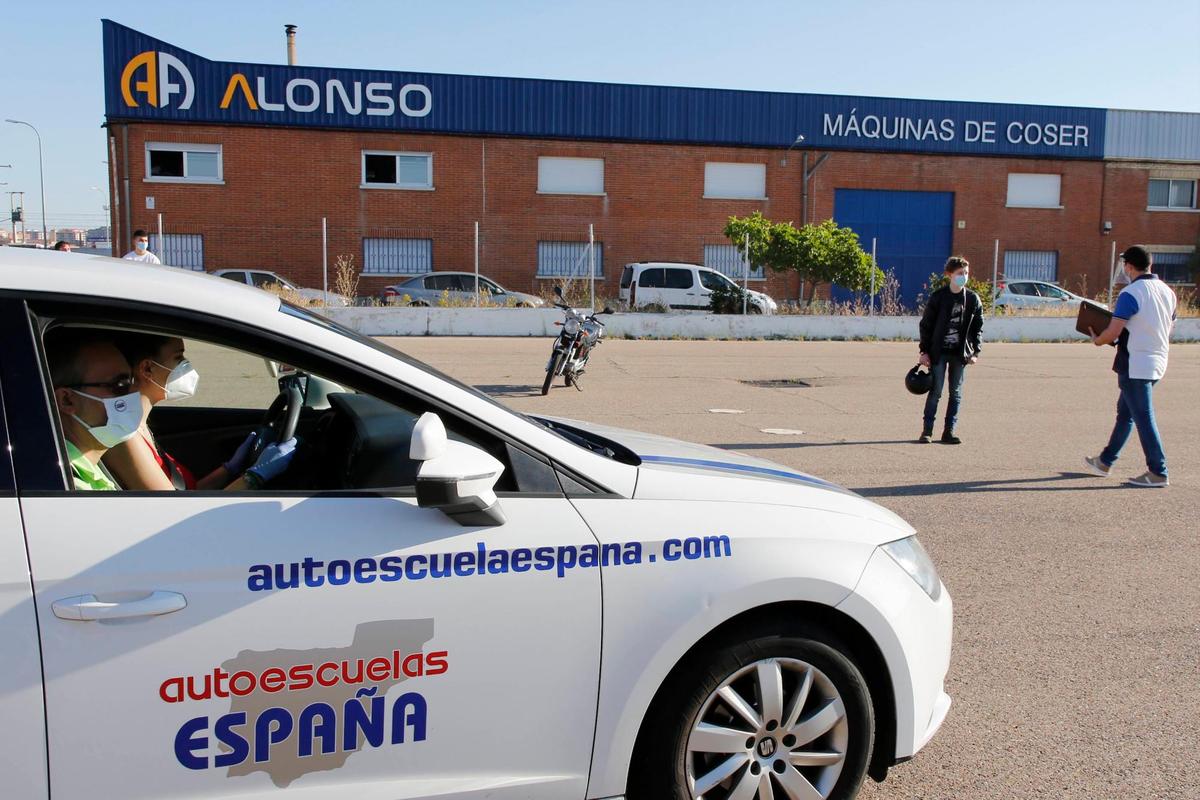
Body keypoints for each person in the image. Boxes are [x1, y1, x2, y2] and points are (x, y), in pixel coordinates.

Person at [102, 332, 295, 491]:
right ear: (147, 369)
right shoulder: (125, 436)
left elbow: (187, 494)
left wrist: (229, 469)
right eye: (179, 357)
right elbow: (174, 512)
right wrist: (253, 477)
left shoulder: (139, 426)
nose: (186, 365)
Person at [1084, 246, 1177, 487]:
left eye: (1124, 265)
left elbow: (1114, 330)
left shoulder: (1131, 293)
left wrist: (1098, 339)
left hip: (1135, 364)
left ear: (1129, 266)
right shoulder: (1167, 292)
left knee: (1143, 417)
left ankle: (1158, 471)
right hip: (1157, 360)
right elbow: (1169, 329)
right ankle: (1105, 461)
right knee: (1126, 413)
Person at [45, 328, 140, 491]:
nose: (134, 393)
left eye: (132, 381)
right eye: (120, 385)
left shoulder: (85, 470)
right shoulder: (70, 486)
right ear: (66, 400)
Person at [917, 255, 983, 444]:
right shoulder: (939, 297)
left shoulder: (972, 299)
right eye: (960, 273)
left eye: (966, 273)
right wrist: (924, 352)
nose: (964, 276)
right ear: (949, 274)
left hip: (960, 353)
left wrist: (975, 352)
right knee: (936, 391)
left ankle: (949, 431)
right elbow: (926, 325)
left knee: (955, 393)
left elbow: (978, 327)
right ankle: (927, 431)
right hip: (939, 351)